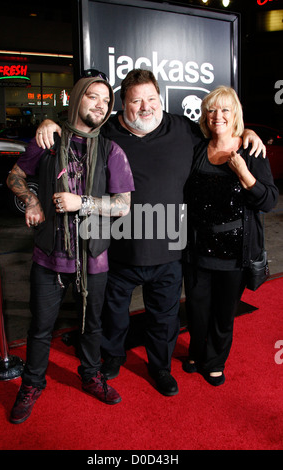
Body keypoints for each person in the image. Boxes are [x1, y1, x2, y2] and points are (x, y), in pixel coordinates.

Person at [35, 69, 265, 397]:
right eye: (136, 101)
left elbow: (222, 133)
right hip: (117, 250)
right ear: (122, 106)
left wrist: (249, 133)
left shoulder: (184, 130)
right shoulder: (107, 130)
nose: (146, 107)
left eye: (152, 99)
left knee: (164, 318)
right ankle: (112, 358)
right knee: (113, 315)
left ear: (161, 99)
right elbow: (75, 128)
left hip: (170, 249)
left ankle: (160, 367)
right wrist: (49, 124)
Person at [6, 70, 135, 424]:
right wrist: (32, 201)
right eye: (94, 96)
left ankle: (91, 375)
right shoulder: (49, 140)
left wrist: (85, 204)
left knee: (93, 326)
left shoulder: (112, 150)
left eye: (107, 101)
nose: (101, 105)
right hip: (49, 256)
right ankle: (32, 383)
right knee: (40, 327)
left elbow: (123, 205)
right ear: (78, 97)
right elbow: (14, 176)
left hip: (93, 255)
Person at [182, 86, 278, 386]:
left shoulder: (250, 151)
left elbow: (269, 201)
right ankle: (197, 352)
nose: (217, 116)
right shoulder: (198, 147)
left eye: (224, 110)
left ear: (234, 114)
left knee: (223, 314)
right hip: (197, 249)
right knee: (197, 311)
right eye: (211, 110)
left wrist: (245, 174)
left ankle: (215, 361)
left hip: (235, 253)